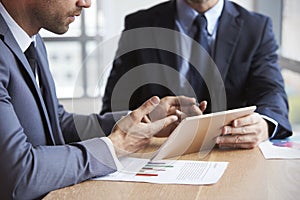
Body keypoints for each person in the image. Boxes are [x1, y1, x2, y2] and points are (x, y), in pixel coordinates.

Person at [0, 0, 205, 199]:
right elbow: (19, 175)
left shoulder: (31, 40)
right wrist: (113, 147)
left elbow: (56, 122)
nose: (86, 3)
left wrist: (146, 118)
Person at [101, 0, 293, 149]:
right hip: (154, 153)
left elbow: (271, 90)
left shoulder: (256, 28)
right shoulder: (139, 25)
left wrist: (264, 125)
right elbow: (114, 104)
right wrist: (146, 121)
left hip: (230, 154)